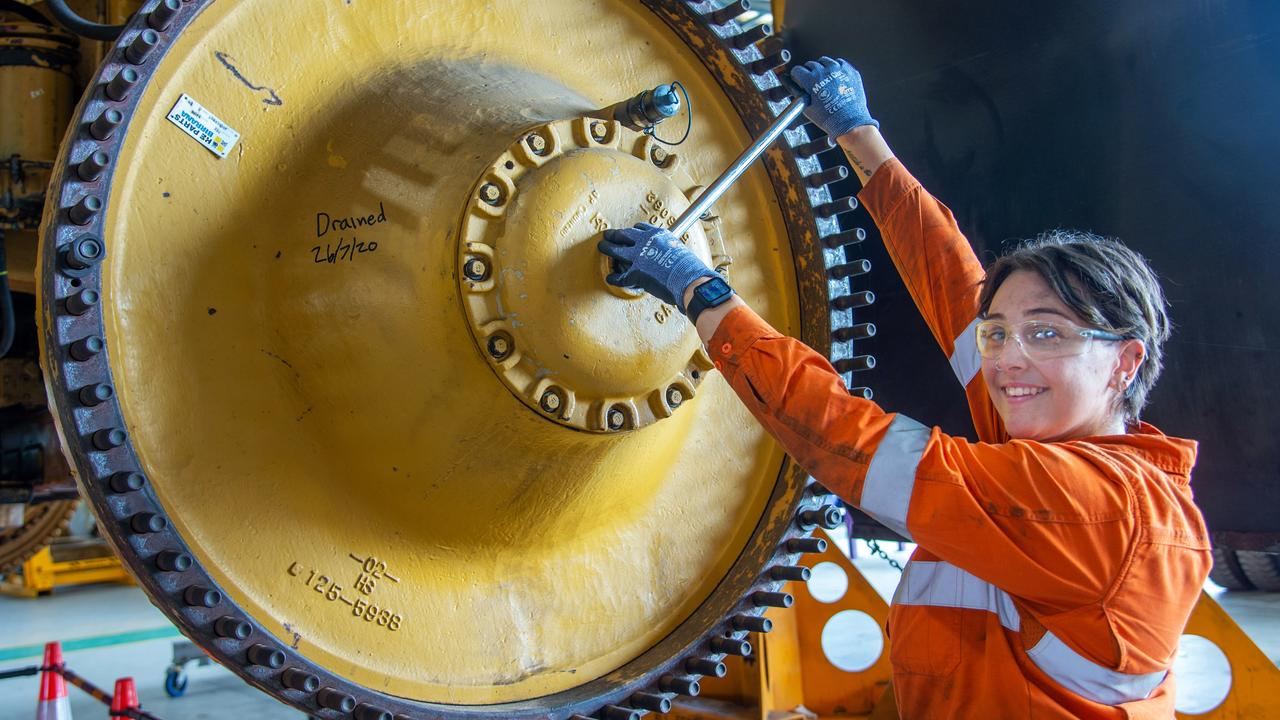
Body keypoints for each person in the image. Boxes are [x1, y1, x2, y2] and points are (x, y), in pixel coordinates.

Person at [599, 57, 1210, 719]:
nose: (1008, 359)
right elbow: (953, 284)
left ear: (1125, 362)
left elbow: (850, 439)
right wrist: (859, 134)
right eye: (999, 332)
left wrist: (704, 294)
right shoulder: (1061, 442)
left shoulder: (1095, 507)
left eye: (1047, 333)